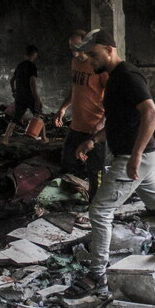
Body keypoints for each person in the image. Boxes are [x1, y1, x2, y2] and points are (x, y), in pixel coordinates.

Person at [66, 29, 155, 297]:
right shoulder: (114, 78)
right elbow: (120, 119)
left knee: (100, 211)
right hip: (137, 156)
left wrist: (137, 154)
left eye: (93, 55)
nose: (89, 60)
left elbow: (152, 113)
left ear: (109, 49)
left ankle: (97, 276)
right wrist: (94, 140)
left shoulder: (128, 75)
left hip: (132, 157)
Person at [53, 30, 108, 201]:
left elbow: (114, 97)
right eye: (72, 49)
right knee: (68, 161)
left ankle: (95, 208)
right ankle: (77, 194)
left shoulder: (99, 66)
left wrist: (102, 122)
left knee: (95, 171)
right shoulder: (75, 62)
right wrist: (63, 108)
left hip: (94, 128)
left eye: (79, 48)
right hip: (76, 126)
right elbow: (76, 88)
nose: (76, 53)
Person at [2, 45, 48, 145]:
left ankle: (5, 139)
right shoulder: (32, 66)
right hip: (29, 96)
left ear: (26, 54)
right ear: (34, 54)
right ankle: (44, 138)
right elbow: (32, 83)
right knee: (38, 114)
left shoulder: (20, 65)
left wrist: (14, 91)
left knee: (16, 118)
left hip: (19, 95)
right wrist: (37, 98)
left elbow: (11, 80)